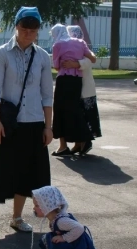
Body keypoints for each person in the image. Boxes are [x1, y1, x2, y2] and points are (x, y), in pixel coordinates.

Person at [0, 6, 53, 235]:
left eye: (33, 28)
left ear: (38, 30)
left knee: (27, 172)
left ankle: (17, 218)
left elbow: (47, 94)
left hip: (34, 122)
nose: (28, 32)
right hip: (8, 123)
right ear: (16, 26)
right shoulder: (3, 53)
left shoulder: (42, 56)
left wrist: (48, 126)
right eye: (24, 27)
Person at [32, 186, 103, 249]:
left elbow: (79, 228)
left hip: (76, 245)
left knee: (60, 248)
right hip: (70, 240)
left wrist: (63, 238)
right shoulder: (53, 218)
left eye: (37, 205)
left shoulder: (61, 221)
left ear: (47, 205)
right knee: (48, 239)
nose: (34, 208)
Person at [50, 24, 97, 157]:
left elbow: (57, 66)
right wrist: (77, 63)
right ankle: (82, 140)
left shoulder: (57, 45)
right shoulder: (81, 43)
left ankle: (63, 145)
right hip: (77, 81)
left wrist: (70, 64)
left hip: (64, 80)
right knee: (75, 110)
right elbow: (93, 58)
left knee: (59, 110)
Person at [65, 25, 102, 152]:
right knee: (77, 116)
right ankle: (77, 143)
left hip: (85, 89)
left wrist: (75, 64)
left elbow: (90, 60)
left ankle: (85, 142)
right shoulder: (69, 48)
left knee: (85, 117)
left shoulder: (82, 45)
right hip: (74, 88)